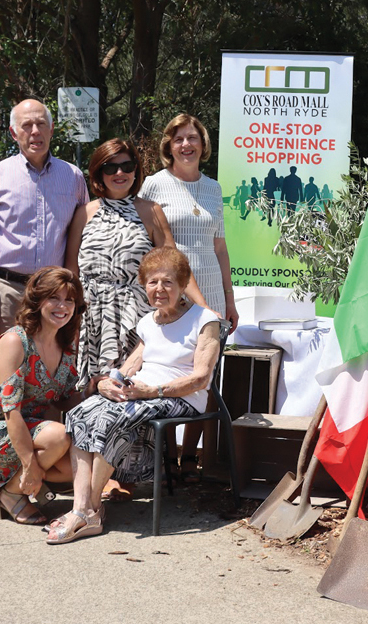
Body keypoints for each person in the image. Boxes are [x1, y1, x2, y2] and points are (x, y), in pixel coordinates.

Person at [65, 138, 208, 500]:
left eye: (126, 166)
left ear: (136, 170)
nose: (119, 173)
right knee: (98, 388)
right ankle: (94, 477)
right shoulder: (86, 211)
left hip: (135, 315)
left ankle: (129, 476)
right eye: (110, 167)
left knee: (130, 395)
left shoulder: (150, 210)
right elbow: (70, 268)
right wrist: (70, 318)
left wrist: (207, 312)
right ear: (98, 173)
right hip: (94, 313)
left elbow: (175, 267)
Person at [49, 247, 221, 544]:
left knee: (113, 419)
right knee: (82, 412)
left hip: (180, 397)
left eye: (167, 282)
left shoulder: (204, 320)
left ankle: (86, 510)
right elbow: (130, 366)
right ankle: (84, 508)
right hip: (140, 393)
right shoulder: (148, 321)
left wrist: (151, 392)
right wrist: (106, 383)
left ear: (182, 286)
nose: (159, 289)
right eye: (152, 282)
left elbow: (201, 378)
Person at [140, 113, 239, 482]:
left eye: (192, 138)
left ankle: (188, 458)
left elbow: (220, 246)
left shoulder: (214, 188)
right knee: (167, 367)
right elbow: (150, 242)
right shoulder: (154, 185)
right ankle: (158, 459)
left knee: (206, 376)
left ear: (203, 143)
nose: (186, 145)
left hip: (211, 290)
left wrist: (228, 299)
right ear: (168, 145)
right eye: (178, 138)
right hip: (173, 293)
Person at [0, 99, 89, 359]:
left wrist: (76, 299)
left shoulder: (73, 177)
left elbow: (83, 240)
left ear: (52, 129)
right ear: (14, 133)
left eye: (41, 124)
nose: (35, 131)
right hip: (6, 293)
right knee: (3, 376)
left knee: (52, 374)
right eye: (27, 125)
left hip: (55, 296)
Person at [0, 267, 85, 524]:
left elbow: (65, 396)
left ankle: (6, 479)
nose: (62, 306)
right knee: (59, 437)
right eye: (54, 297)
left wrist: (96, 396)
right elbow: (11, 411)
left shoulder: (66, 343)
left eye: (69, 300)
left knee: (76, 466)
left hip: (33, 428)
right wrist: (30, 464)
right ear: (38, 300)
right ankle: (11, 493)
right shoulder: (16, 341)